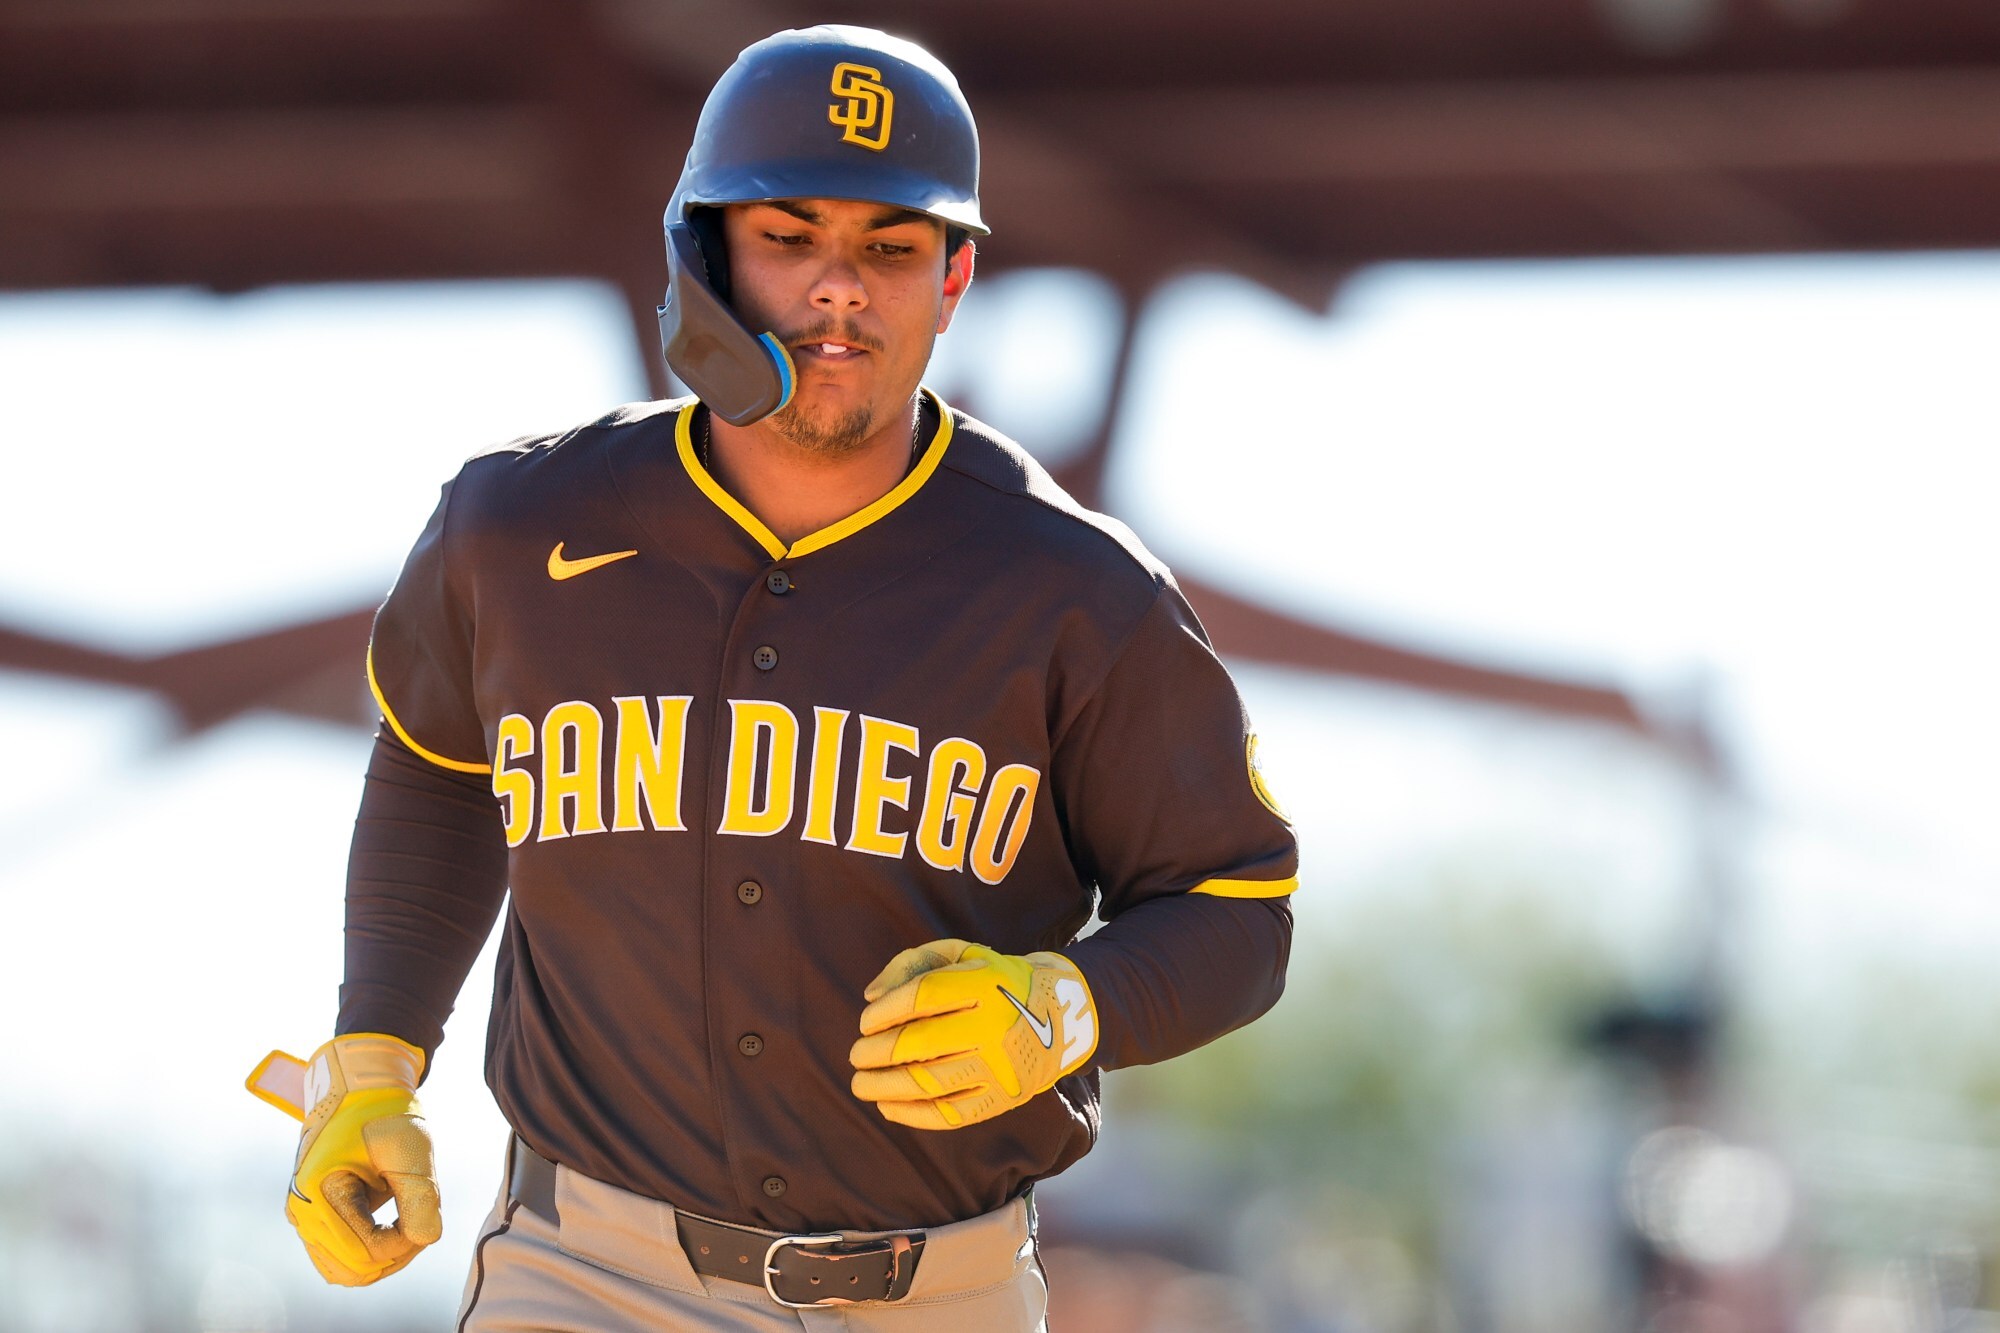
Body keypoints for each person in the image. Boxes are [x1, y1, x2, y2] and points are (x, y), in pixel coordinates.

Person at [246, 24, 1297, 1331]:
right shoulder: (514, 527)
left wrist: (1068, 1003)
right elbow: (441, 764)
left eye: (891, 246)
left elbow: (1240, 904)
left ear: (956, 277)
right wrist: (374, 1055)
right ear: (706, 255)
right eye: (790, 238)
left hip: (940, 1289)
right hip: (589, 1273)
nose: (839, 288)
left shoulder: (1078, 590)